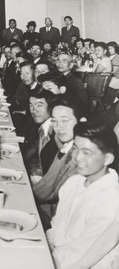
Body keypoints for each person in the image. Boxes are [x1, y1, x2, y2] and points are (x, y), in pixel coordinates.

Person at [47, 122, 119, 269]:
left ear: (108, 159)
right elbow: (57, 224)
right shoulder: (74, 182)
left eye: (86, 152)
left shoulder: (111, 202)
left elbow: (80, 256)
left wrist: (43, 257)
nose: (77, 157)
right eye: (75, 148)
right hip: (57, 254)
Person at [33, 97, 81, 227]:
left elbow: (46, 193)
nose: (59, 127)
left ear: (82, 121)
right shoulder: (67, 146)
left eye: (65, 120)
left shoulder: (78, 156)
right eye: (54, 121)